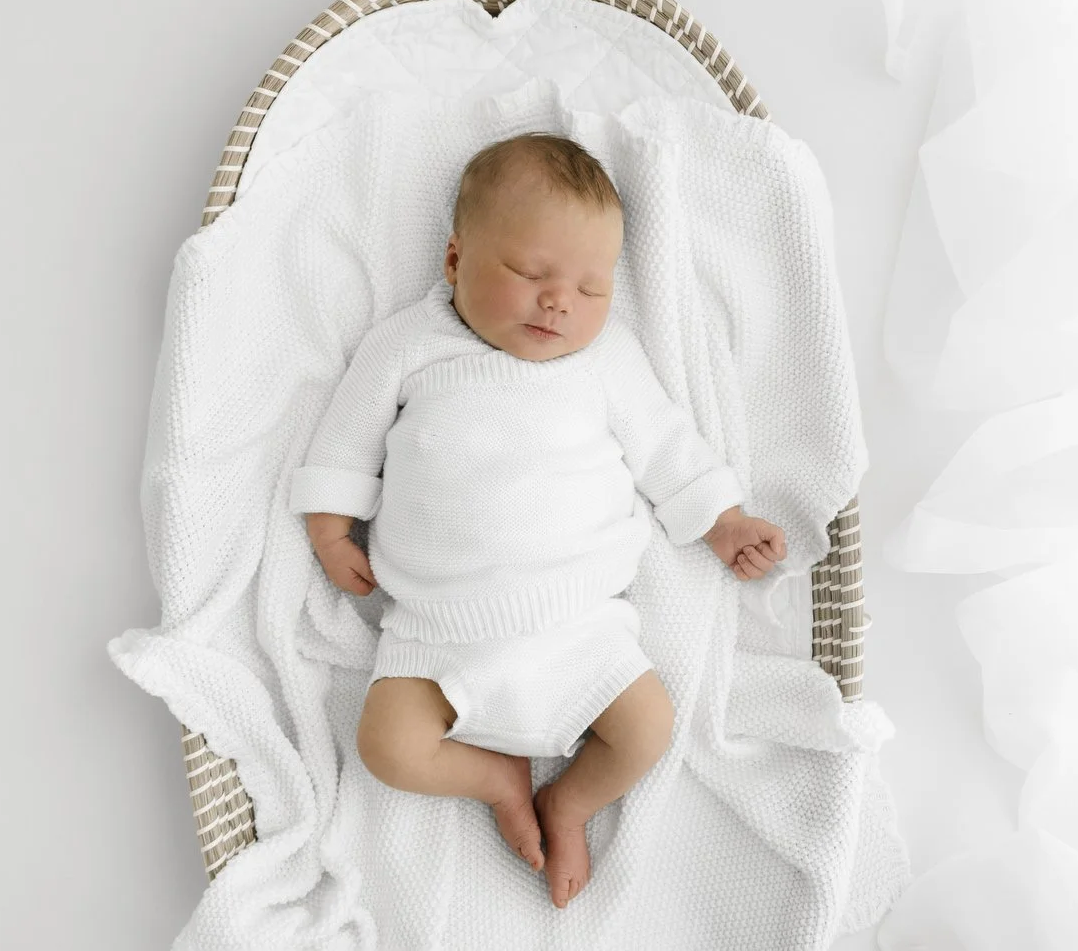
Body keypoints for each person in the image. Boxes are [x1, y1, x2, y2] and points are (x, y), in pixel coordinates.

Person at [292, 132, 787, 909]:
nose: (561, 300)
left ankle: (571, 802)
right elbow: (346, 435)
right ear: (455, 261)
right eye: (530, 273)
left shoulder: (607, 359)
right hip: (436, 632)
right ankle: (494, 778)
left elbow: (665, 443)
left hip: (578, 628)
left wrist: (722, 520)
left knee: (648, 729)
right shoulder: (407, 347)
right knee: (387, 747)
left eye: (593, 288)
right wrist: (329, 527)